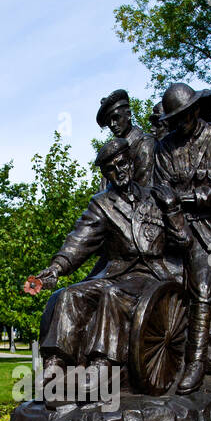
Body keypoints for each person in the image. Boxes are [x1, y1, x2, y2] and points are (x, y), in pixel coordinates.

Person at [23, 138, 187, 403]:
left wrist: (173, 209)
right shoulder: (102, 204)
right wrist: (55, 269)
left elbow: (183, 242)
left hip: (152, 277)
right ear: (105, 174)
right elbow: (79, 241)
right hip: (117, 272)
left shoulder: (156, 197)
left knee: (113, 294)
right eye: (111, 168)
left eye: (122, 163)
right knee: (67, 296)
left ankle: (102, 365)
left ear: (131, 162)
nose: (119, 170)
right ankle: (55, 365)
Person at [153, 81, 211, 393]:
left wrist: (193, 198)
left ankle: (195, 363)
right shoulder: (163, 148)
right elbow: (162, 189)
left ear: (195, 110)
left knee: (203, 284)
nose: (179, 124)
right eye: (174, 119)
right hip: (174, 224)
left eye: (183, 116)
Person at [96, 89, 156, 186]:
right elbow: (103, 188)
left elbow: (144, 187)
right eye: (108, 122)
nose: (112, 124)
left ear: (128, 115)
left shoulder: (145, 143)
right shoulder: (111, 153)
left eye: (116, 118)